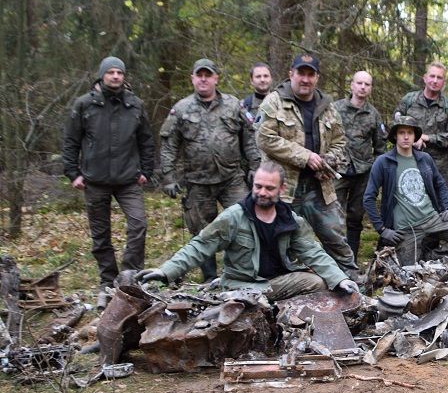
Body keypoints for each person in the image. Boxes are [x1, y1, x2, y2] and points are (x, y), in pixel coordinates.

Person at [139, 163, 359, 301]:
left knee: (317, 283)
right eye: (258, 186)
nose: (262, 192)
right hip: (242, 285)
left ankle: (281, 316)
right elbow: (200, 246)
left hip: (274, 284)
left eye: (269, 188)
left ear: (282, 189)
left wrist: (339, 279)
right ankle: (241, 301)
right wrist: (166, 271)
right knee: (244, 299)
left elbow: (314, 253)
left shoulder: (291, 220)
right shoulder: (233, 216)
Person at [255, 54, 359, 277]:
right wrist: (305, 157)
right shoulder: (274, 102)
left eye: (310, 74)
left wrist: (328, 160)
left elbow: (340, 140)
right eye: (301, 73)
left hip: (320, 188)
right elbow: (264, 138)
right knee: (281, 244)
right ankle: (284, 296)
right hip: (283, 190)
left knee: (337, 241)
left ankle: (353, 291)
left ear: (317, 78)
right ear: (291, 74)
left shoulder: (327, 106)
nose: (305, 79)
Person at [62, 56, 155, 300]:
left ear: (124, 76)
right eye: (111, 72)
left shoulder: (135, 105)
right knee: (100, 235)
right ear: (102, 75)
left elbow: (146, 140)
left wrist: (146, 170)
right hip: (95, 180)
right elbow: (71, 141)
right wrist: (73, 173)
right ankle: (107, 280)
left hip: (128, 180)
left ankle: (130, 275)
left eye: (119, 72)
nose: (115, 76)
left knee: (139, 224)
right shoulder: (84, 105)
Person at [160, 58, 260, 281]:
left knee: (245, 222)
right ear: (193, 78)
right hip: (197, 182)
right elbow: (169, 144)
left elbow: (250, 138)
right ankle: (209, 278)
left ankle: (240, 273)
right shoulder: (181, 109)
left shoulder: (234, 105)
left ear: (216, 78)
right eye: (199, 75)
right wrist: (168, 177)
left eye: (208, 75)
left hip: (232, 178)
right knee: (203, 232)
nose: (203, 79)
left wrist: (255, 166)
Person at [363, 116, 448, 266]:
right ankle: (422, 258)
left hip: (433, 220)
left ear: (415, 136)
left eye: (410, 133)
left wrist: (447, 208)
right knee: (408, 269)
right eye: (401, 133)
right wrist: (382, 229)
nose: (406, 137)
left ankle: (432, 256)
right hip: (407, 229)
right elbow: (368, 198)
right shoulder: (384, 162)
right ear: (395, 135)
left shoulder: (424, 158)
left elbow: (440, 184)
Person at [333, 71, 388, 259]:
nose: (363, 87)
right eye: (360, 83)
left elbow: (380, 146)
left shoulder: (374, 114)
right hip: (338, 170)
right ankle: (335, 261)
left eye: (367, 84)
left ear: (371, 88)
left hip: (363, 172)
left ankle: (352, 260)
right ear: (352, 85)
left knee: (355, 218)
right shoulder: (335, 108)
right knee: (334, 218)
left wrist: (377, 173)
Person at [394, 62, 448, 186]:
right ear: (425, 78)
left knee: (437, 203)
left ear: (443, 82)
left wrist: (428, 138)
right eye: (432, 76)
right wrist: (412, 139)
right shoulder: (409, 101)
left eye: (439, 78)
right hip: (409, 162)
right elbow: (395, 128)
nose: (435, 81)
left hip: (439, 168)